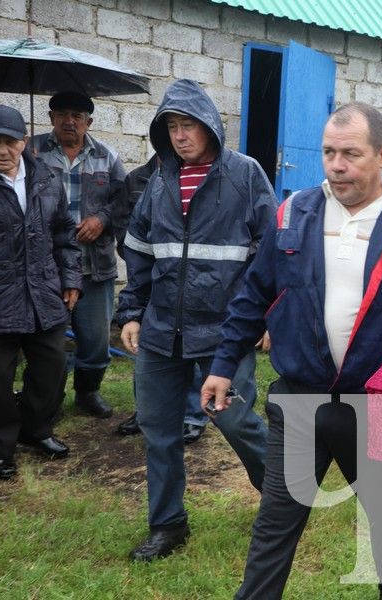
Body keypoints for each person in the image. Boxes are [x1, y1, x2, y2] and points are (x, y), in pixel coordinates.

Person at [201, 102, 382, 599]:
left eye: (350, 154)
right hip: (301, 401)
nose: (336, 165)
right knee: (274, 527)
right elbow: (255, 293)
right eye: (329, 153)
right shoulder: (294, 212)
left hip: (374, 405)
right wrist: (224, 364)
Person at [116, 79, 272, 561]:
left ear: (210, 126)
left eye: (189, 126)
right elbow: (140, 251)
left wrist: (267, 316)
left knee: (237, 419)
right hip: (162, 330)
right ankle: (168, 525)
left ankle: (283, 498)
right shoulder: (159, 179)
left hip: (226, 329)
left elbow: (271, 253)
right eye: (173, 127)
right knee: (158, 431)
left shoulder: (245, 175)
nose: (181, 136)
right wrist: (131, 311)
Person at [0, 105, 81, 478]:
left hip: (44, 294)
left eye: (9, 141)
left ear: (24, 142)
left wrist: (71, 279)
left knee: (50, 369)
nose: (1, 150)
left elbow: (64, 234)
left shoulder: (45, 178)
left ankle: (36, 430)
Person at [31, 91, 128, 419]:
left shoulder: (107, 157)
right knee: (47, 340)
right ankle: (49, 399)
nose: (69, 121)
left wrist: (102, 220)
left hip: (94, 264)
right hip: (46, 266)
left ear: (89, 122)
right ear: (51, 117)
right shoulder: (31, 152)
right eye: (61, 114)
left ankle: (88, 392)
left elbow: (124, 202)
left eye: (77, 115)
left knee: (96, 340)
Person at [115, 155, 209, 444]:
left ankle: (194, 415)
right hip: (155, 277)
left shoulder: (204, 175)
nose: (178, 137)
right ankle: (146, 412)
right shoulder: (139, 178)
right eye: (170, 128)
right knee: (150, 349)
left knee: (191, 349)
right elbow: (125, 223)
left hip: (195, 282)